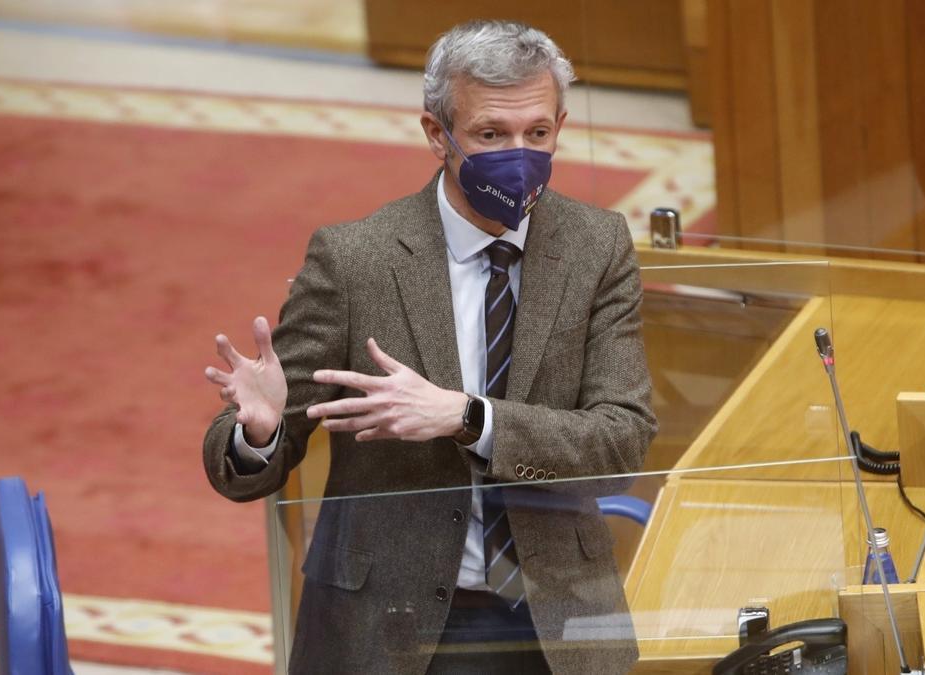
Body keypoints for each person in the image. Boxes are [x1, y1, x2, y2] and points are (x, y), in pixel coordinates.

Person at [202, 20, 656, 675]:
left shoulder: (598, 247)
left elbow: (622, 442)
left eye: (538, 133)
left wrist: (471, 417)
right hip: (395, 623)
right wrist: (261, 432)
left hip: (559, 617)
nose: (519, 155)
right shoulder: (355, 259)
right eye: (491, 135)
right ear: (436, 134)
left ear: (560, 124)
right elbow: (245, 469)